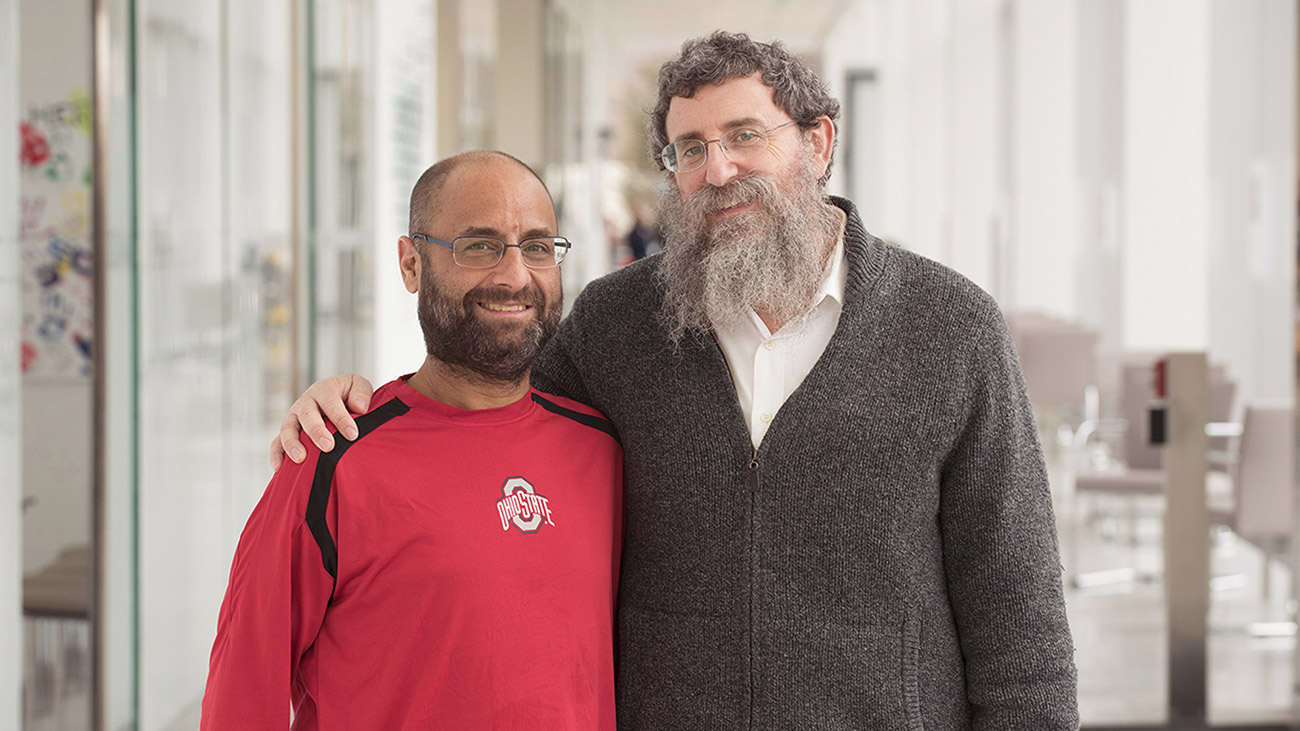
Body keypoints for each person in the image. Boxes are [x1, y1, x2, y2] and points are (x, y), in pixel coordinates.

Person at [274, 32, 1078, 729]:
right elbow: (492, 419)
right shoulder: (615, 325)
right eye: (688, 148)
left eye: (743, 136)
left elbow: (1020, 617)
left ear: (820, 141)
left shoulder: (950, 328)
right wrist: (361, 401)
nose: (716, 169)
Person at [203, 151, 623, 729]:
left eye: (536, 247)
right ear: (411, 264)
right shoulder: (332, 457)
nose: (514, 275)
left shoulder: (603, 452)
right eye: (479, 246)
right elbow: (242, 697)